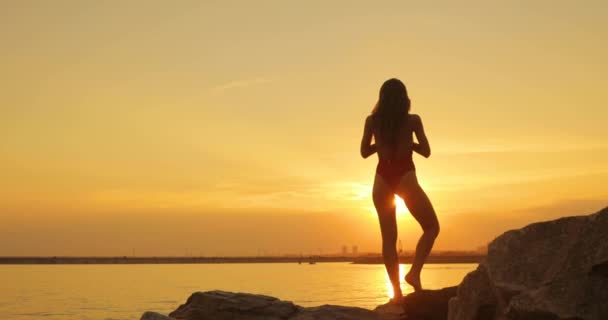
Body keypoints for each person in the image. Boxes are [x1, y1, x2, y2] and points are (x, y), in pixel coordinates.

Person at [360, 78, 440, 303]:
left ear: (381, 98)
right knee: (432, 227)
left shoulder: (372, 121)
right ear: (405, 98)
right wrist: (408, 142)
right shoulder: (413, 120)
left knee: (388, 239)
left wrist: (382, 144)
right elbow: (426, 151)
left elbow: (364, 152)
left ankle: (396, 293)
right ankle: (414, 273)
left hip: (381, 178)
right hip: (405, 175)